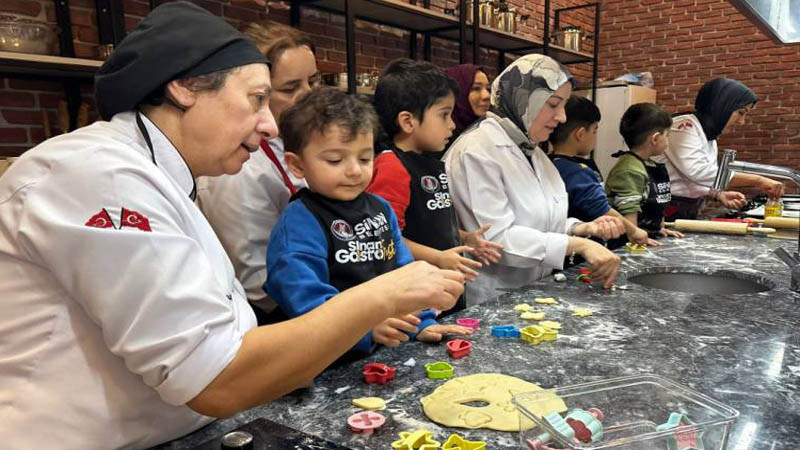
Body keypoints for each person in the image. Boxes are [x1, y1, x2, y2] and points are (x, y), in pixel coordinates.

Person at [0, 4, 463, 449]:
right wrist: (381, 296)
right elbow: (214, 379)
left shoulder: (160, 176)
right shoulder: (98, 175)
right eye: (258, 99)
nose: (270, 125)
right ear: (184, 87)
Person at [266, 87, 471, 351]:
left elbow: (404, 274)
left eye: (364, 158)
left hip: (386, 349)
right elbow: (303, 299)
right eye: (335, 160)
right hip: (329, 357)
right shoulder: (299, 223)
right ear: (296, 165)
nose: (354, 170)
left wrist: (422, 323)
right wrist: (363, 328)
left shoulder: (380, 208)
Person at [443, 54, 625, 304]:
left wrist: (580, 228)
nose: (562, 117)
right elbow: (496, 241)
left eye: (563, 105)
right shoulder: (476, 151)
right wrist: (577, 245)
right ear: (522, 99)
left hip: (534, 290)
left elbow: (538, 218)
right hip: (492, 297)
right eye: (553, 104)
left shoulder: (532, 151)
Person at [196, 21, 320, 323]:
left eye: (314, 82)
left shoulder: (300, 139)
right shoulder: (237, 168)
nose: (309, 95)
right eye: (290, 88)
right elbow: (257, 282)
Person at [367, 59, 503, 314]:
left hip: (443, 287)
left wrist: (464, 237)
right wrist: (438, 257)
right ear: (408, 121)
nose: (452, 124)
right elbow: (386, 239)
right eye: (444, 115)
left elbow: (429, 222)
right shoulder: (392, 167)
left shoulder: (429, 161)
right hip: (415, 297)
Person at [657, 77, 784, 220]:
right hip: (662, 210)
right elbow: (700, 172)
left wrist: (717, 194)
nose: (741, 122)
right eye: (741, 112)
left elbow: (687, 180)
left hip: (684, 210)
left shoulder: (708, 133)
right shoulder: (684, 127)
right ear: (722, 105)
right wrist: (758, 180)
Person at [549, 95, 658, 247]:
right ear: (580, 134)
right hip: (585, 246)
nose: (596, 136)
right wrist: (634, 231)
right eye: (595, 130)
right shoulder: (576, 172)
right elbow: (602, 209)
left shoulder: (550, 163)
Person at [606, 103, 684, 239]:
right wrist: (637, 238)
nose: (668, 140)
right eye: (667, 135)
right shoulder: (629, 170)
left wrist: (659, 228)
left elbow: (658, 204)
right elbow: (629, 213)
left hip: (646, 235)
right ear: (655, 139)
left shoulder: (650, 164)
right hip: (626, 242)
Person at [445, 64, 491, 145]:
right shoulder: (437, 141)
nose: (487, 96)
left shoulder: (490, 132)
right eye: (476, 88)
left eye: (488, 89)